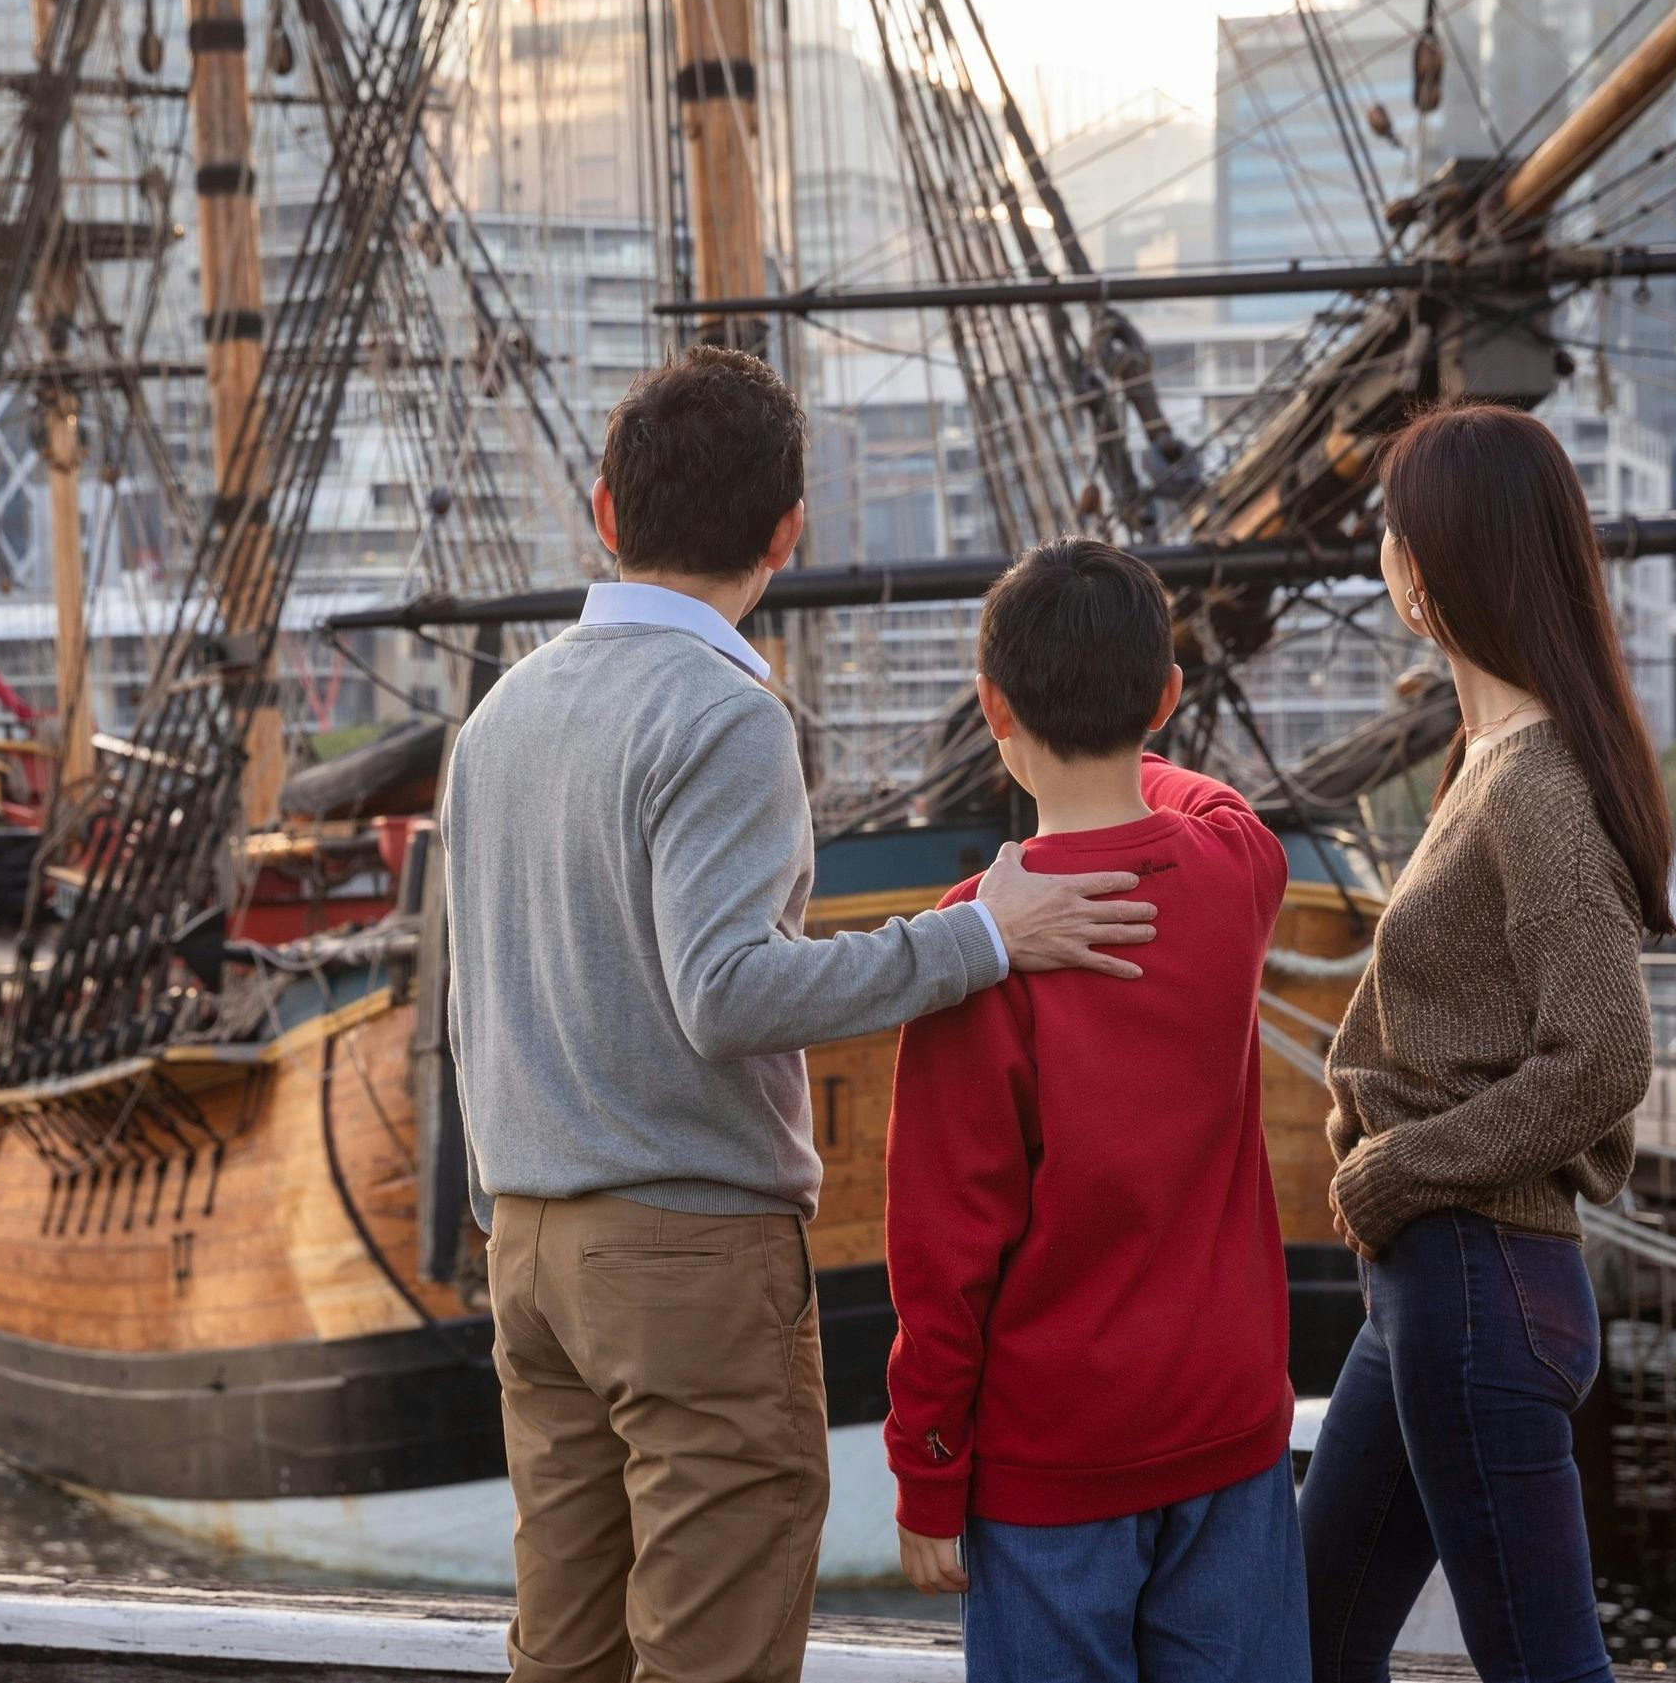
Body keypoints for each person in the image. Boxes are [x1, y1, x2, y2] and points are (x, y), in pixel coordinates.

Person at [443, 346, 1164, 1683]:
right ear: (789, 531)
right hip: (684, 1258)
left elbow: (467, 1003)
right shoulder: (724, 715)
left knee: (567, 1658)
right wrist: (979, 937)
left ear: (606, 511)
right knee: (714, 1657)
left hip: (529, 1248)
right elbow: (728, 993)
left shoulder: (498, 717)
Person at [882, 538, 1304, 1683]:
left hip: (1051, 1470)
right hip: (1229, 1439)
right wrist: (1136, 771)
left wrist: (927, 1469)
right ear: (1167, 698)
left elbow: (943, 1248)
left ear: (992, 709)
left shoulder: (983, 939)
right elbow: (1204, 798)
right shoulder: (1238, 870)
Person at [1299, 403, 1670, 1683]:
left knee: (1542, 1664)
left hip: (1477, 1274)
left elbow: (1603, 1057)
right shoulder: (1491, 761)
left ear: (1440, 560)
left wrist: (1402, 1165)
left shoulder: (1536, 785)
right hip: (1433, 1290)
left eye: (1394, 530)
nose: (1383, 555)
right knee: (1310, 1637)